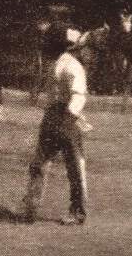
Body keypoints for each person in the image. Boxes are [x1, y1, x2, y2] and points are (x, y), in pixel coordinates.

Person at [22, 25, 90, 225]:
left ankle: (78, 211)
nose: (44, 47)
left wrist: (67, 120)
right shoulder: (55, 63)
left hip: (67, 118)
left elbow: (79, 97)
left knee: (75, 166)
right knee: (39, 163)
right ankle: (31, 206)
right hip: (53, 116)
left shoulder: (72, 66)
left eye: (48, 44)